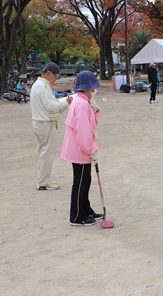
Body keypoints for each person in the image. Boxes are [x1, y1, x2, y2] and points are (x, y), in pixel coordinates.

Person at [60, 71, 103, 226]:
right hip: (80, 150)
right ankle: (77, 216)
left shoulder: (83, 101)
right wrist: (91, 149)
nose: (94, 90)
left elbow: (91, 124)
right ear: (87, 88)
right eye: (92, 88)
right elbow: (83, 132)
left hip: (80, 149)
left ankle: (86, 210)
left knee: (85, 180)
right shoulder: (82, 104)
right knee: (80, 183)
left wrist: (96, 111)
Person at [30, 62, 73, 191]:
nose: (55, 79)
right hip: (45, 123)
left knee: (43, 152)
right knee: (47, 153)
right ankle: (43, 182)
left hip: (41, 122)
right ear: (48, 73)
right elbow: (51, 106)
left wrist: (63, 102)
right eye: (55, 76)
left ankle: (44, 179)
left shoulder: (40, 85)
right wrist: (66, 101)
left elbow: (50, 104)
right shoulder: (42, 86)